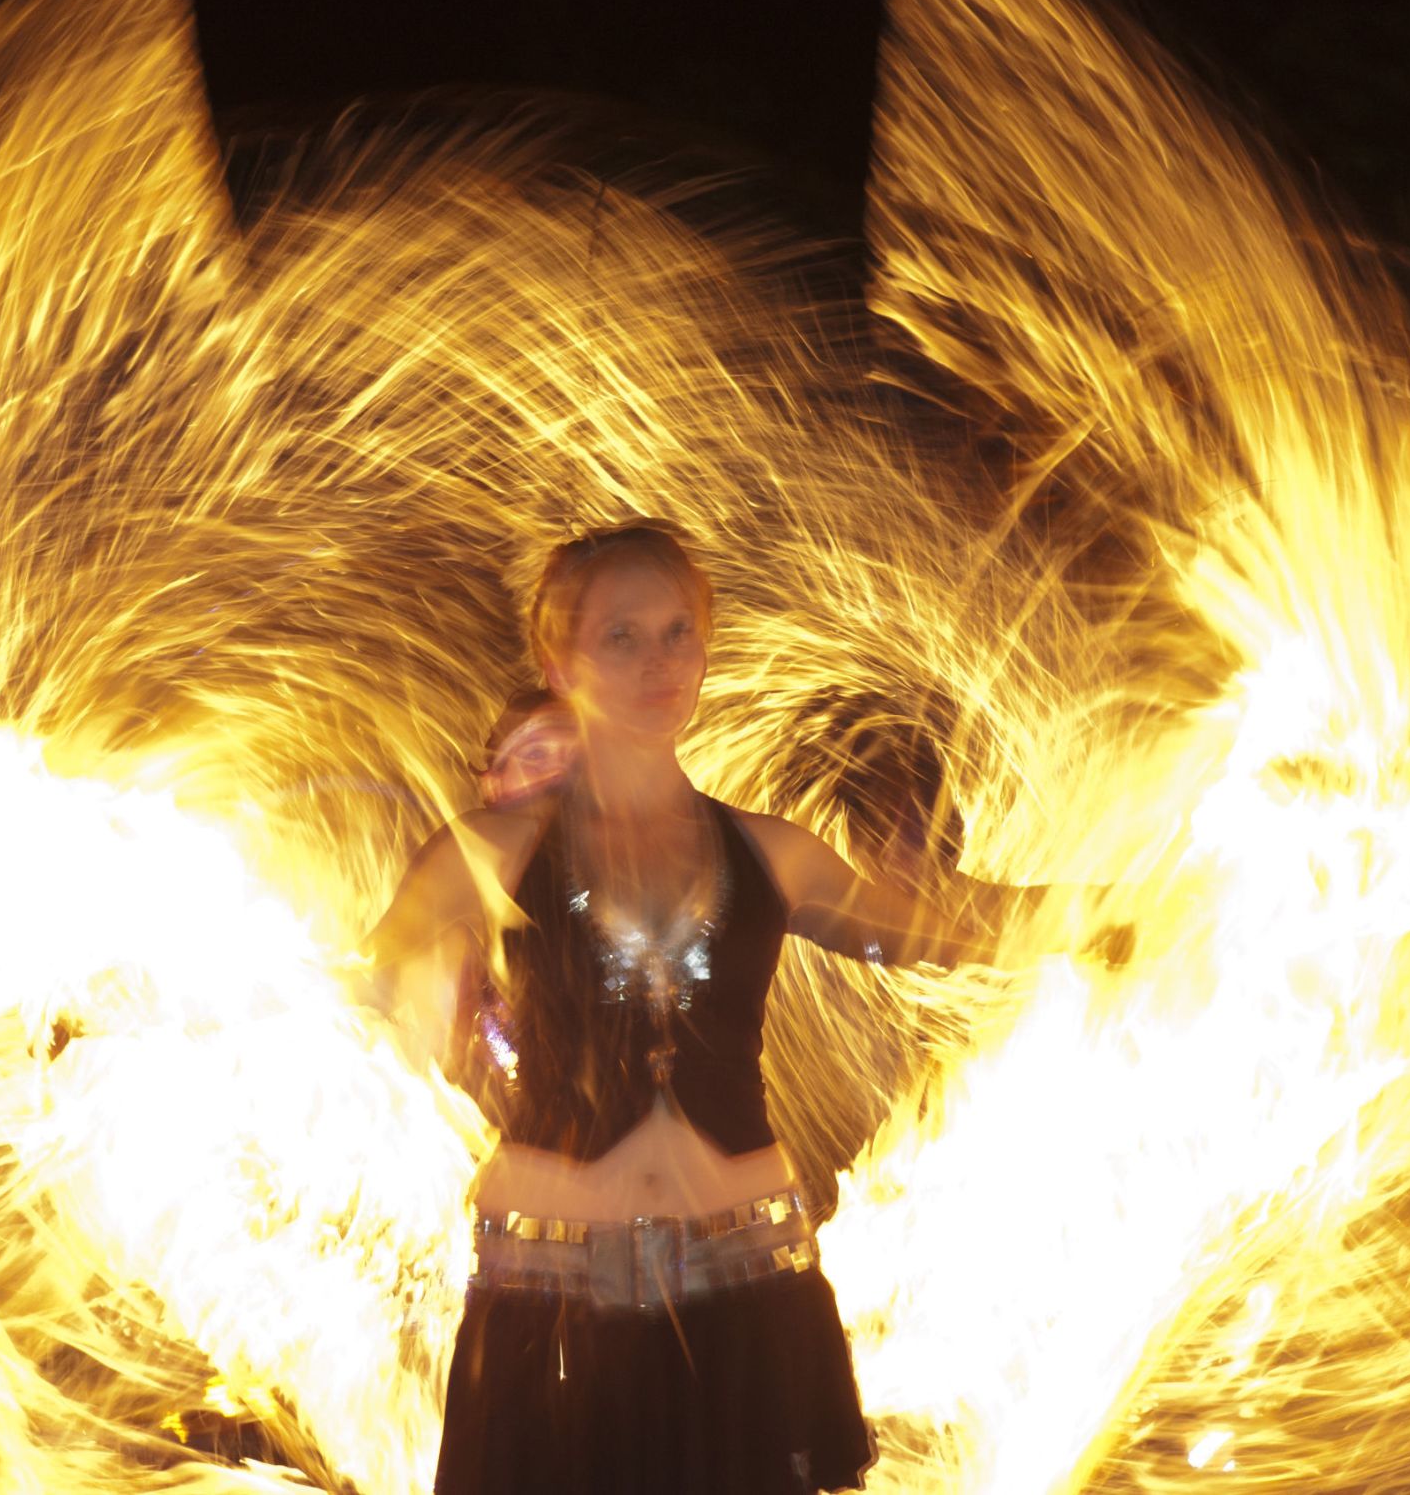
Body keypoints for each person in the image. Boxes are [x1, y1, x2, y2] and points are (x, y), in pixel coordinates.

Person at [365, 524, 1011, 1494]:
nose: (657, 661)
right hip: (554, 1323)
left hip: (750, 1304)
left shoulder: (766, 854)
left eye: (677, 633)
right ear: (559, 659)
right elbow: (346, 984)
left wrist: (1126, 909)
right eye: (620, 636)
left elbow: (930, 931)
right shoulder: (488, 850)